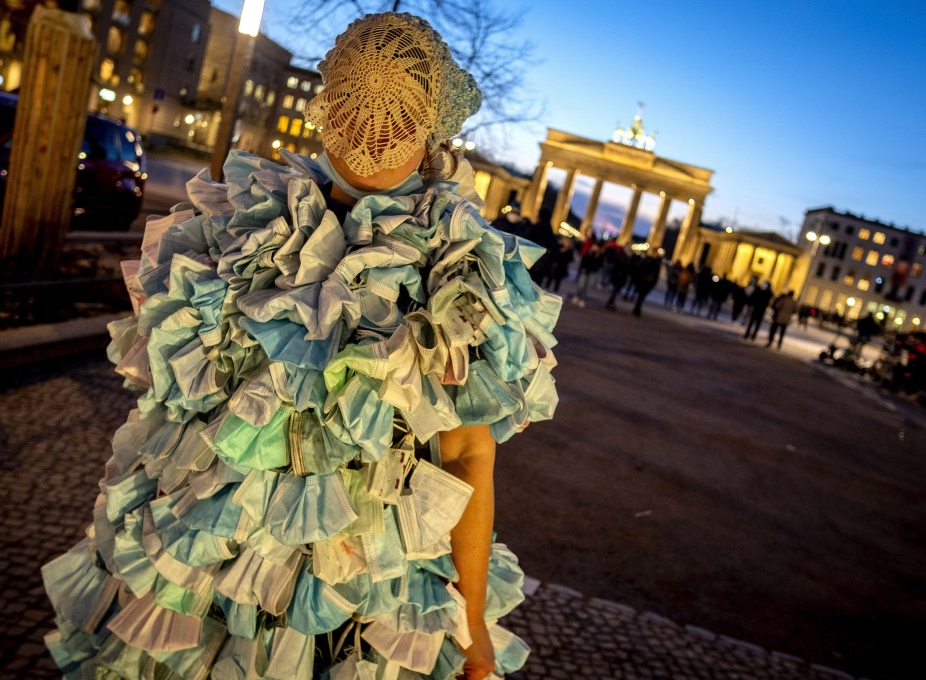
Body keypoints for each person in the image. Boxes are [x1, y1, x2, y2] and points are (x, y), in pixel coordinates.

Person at [40, 13, 557, 680]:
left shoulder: (230, 233)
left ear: (329, 112)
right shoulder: (456, 270)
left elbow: (162, 419)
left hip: (199, 578)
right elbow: (464, 459)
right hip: (362, 600)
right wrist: (474, 626)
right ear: (429, 129)